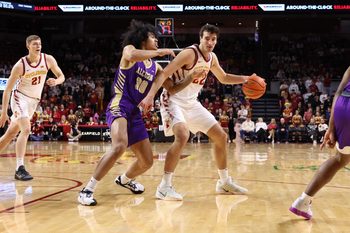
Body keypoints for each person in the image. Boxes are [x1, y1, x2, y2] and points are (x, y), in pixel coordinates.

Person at [140, 24, 259, 200]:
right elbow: (164, 74)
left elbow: (224, 77)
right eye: (207, 38)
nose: (210, 42)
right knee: (182, 136)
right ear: (200, 38)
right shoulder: (189, 54)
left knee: (221, 136)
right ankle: (164, 187)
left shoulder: (212, 58)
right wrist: (150, 96)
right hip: (172, 100)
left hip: (191, 102)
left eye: (213, 39)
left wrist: (246, 79)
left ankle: (224, 182)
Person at [77, 20, 176, 206]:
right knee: (120, 145)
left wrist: (192, 76)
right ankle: (87, 190)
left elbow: (173, 87)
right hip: (119, 104)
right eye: (152, 37)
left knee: (147, 161)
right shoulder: (129, 51)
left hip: (135, 112)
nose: (156, 40)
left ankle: (124, 179)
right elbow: (132, 54)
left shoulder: (156, 67)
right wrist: (160, 52)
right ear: (142, 38)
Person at [0, 35, 65, 181]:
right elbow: (7, 90)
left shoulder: (48, 59)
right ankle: (19, 168)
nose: (38, 46)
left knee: (10, 135)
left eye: (40, 44)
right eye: (35, 44)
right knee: (27, 129)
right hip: (19, 98)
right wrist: (4, 112)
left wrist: (56, 81)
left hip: (33, 101)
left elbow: (62, 76)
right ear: (28, 46)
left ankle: (19, 167)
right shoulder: (20, 65)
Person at [290, 66, 350, 220]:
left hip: (343, 106)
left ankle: (303, 200)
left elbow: (338, 92)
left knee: (340, 159)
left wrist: (331, 126)